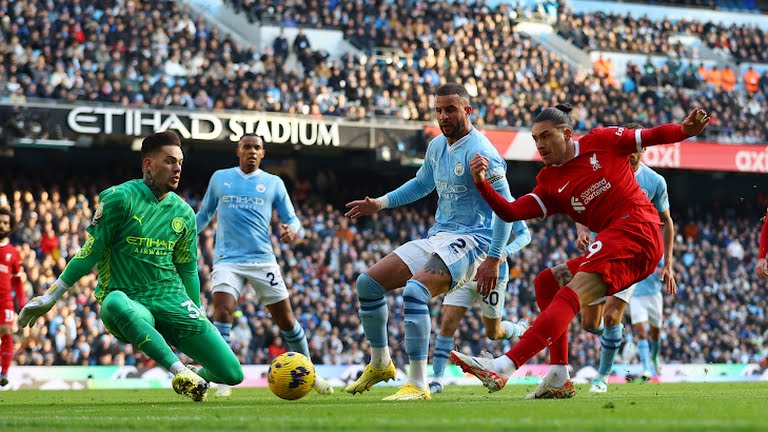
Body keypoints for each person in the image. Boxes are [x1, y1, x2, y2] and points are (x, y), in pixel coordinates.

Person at [450, 104, 709, 398]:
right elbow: (510, 212)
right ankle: (558, 373)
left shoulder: (602, 141)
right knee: (547, 282)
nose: (540, 145)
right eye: (535, 139)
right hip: (617, 239)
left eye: (546, 136)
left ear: (567, 134)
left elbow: (650, 136)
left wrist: (684, 131)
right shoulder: (550, 181)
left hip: (639, 230)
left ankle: (504, 366)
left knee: (570, 294)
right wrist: (482, 184)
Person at [18, 131, 243, 402]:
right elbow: (89, 253)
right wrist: (51, 296)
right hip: (130, 302)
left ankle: (195, 377)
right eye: (170, 161)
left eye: (180, 162)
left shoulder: (183, 213)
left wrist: (195, 311)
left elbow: (187, 269)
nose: (177, 168)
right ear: (148, 164)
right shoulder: (118, 198)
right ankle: (179, 371)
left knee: (232, 374)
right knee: (113, 302)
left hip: (172, 298)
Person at [343, 82, 513, 401]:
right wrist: (380, 203)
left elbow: (507, 210)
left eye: (450, 109)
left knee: (415, 290)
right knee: (367, 283)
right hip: (440, 237)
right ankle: (380, 364)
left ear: (468, 110)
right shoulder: (436, 146)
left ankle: (418, 384)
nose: (443, 116)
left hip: (473, 241)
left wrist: (494, 257)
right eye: (438, 110)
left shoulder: (483, 152)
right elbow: (422, 183)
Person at [196, 134, 333, 397]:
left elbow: (293, 219)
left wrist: (292, 231)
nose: (251, 151)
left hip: (262, 261)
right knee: (222, 312)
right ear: (238, 151)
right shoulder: (220, 178)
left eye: (256, 148)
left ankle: (310, 373)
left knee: (286, 320)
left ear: (263, 153)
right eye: (247, 147)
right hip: (228, 260)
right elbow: (203, 215)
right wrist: (185, 231)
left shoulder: (273, 183)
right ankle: (224, 378)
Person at [575, 143, 676, 393]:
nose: (630, 158)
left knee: (611, 316)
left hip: (631, 257)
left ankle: (602, 377)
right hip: (600, 252)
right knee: (589, 323)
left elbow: (667, 222)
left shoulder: (654, 181)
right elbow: (578, 202)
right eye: (626, 153)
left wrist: (670, 264)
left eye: (635, 153)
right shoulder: (605, 175)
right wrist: (581, 230)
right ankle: (616, 337)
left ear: (643, 152)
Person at [430, 221, 531, 394]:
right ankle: (437, 379)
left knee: (494, 333)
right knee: (447, 324)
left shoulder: (506, 200)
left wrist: (506, 251)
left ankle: (520, 329)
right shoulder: (469, 198)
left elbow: (525, 235)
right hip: (465, 271)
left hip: (494, 276)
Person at [0, 206, 25, 386]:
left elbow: (17, 281)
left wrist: (22, 303)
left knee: (7, 332)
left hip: (5, 301)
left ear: (10, 227)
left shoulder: (13, 253)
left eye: (5, 223)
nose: (1, 225)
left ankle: (4, 373)